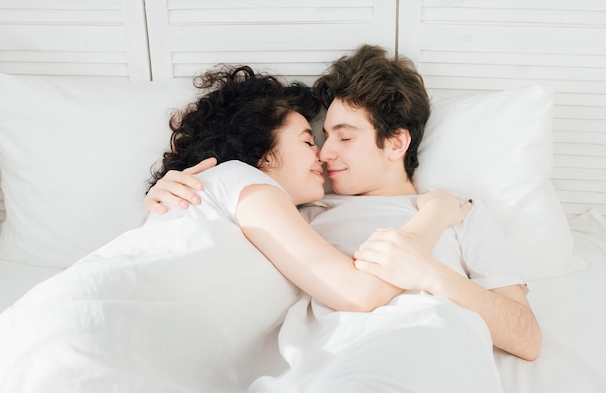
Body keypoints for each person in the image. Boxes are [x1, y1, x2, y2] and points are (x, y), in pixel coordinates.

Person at [146, 46, 542, 361]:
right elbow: (213, 219)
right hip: (323, 371)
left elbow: (526, 337)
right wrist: (170, 192)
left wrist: (430, 275)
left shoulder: (460, 212)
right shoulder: (300, 208)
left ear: (396, 142)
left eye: (345, 137)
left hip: (424, 354)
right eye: (319, 137)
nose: (324, 152)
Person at [144, 63, 468, 313]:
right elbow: (359, 292)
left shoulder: (226, 195)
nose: (323, 155)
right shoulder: (243, 182)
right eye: (309, 140)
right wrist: (437, 215)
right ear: (265, 156)